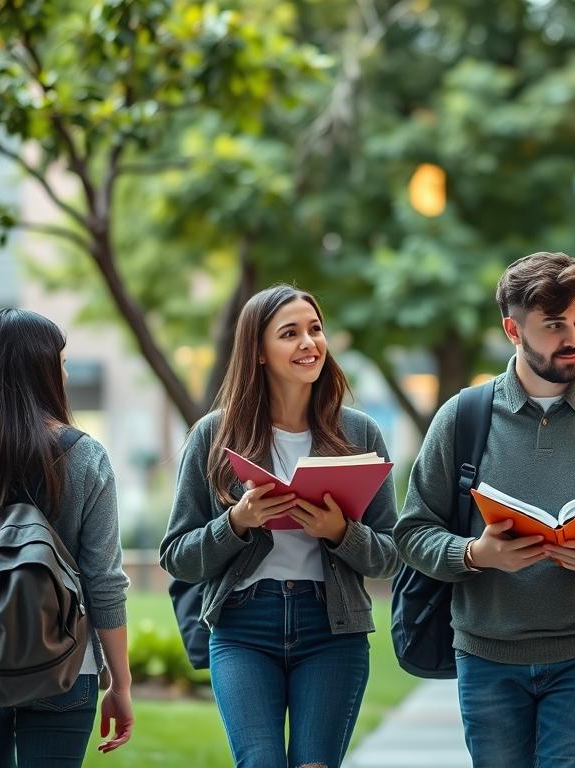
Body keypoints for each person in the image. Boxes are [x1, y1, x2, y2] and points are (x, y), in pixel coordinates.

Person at [394, 251, 575, 768]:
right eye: (554, 325)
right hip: (487, 652)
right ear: (513, 329)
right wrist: (474, 554)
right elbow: (412, 532)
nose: (573, 338)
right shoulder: (462, 418)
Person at [159, 285, 400, 768]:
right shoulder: (214, 435)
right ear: (259, 352)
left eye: (315, 330)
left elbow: (390, 553)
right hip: (244, 625)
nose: (309, 343)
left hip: (330, 627)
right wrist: (237, 521)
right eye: (289, 334)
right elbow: (177, 556)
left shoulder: (358, 433)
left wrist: (339, 531)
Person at [0, 309, 134, 765]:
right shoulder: (85, 456)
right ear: (41, 370)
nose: (64, 373)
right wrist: (120, 684)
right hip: (66, 669)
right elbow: (104, 581)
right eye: (61, 362)